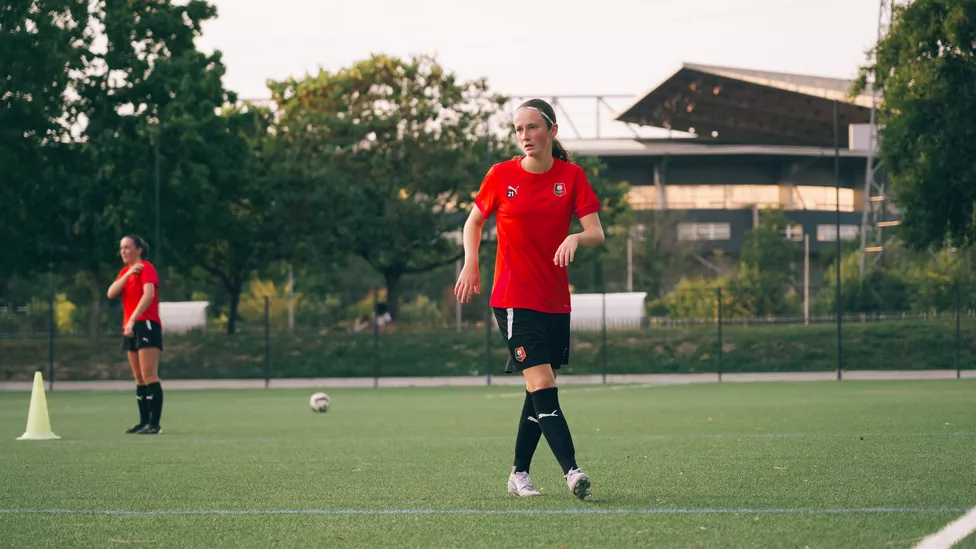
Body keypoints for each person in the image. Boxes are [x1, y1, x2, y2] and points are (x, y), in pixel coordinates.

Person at [454, 98, 605, 500]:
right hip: (513, 298)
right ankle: (572, 471)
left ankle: (519, 473)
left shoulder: (571, 177)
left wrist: (575, 237)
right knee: (543, 384)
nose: (525, 135)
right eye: (519, 129)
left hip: (554, 300)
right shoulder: (500, 175)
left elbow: (597, 232)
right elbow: (473, 221)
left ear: (552, 131)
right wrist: (471, 263)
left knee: (538, 389)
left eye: (533, 127)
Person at [106, 235, 164, 435]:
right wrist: (129, 273)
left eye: (127, 247)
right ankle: (143, 422)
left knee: (149, 375)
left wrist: (132, 319)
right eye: (121, 248)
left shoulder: (147, 268)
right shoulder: (125, 271)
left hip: (146, 324)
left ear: (139, 250)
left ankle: (154, 424)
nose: (123, 251)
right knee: (138, 377)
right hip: (130, 327)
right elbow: (111, 293)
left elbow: (148, 295)